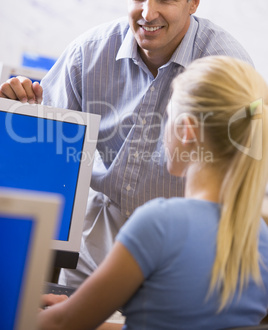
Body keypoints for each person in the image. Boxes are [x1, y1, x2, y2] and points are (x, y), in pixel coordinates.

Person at [0, 0, 254, 288]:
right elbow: (50, 153)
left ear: (194, 0)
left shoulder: (226, 66)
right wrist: (22, 114)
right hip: (98, 245)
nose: (148, 13)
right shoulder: (87, 54)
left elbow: (245, 173)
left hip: (184, 251)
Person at [38, 55, 268, 329]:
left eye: (168, 117)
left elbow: (62, 324)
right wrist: (85, 311)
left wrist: (29, 308)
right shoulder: (257, 234)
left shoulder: (161, 223)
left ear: (185, 131)